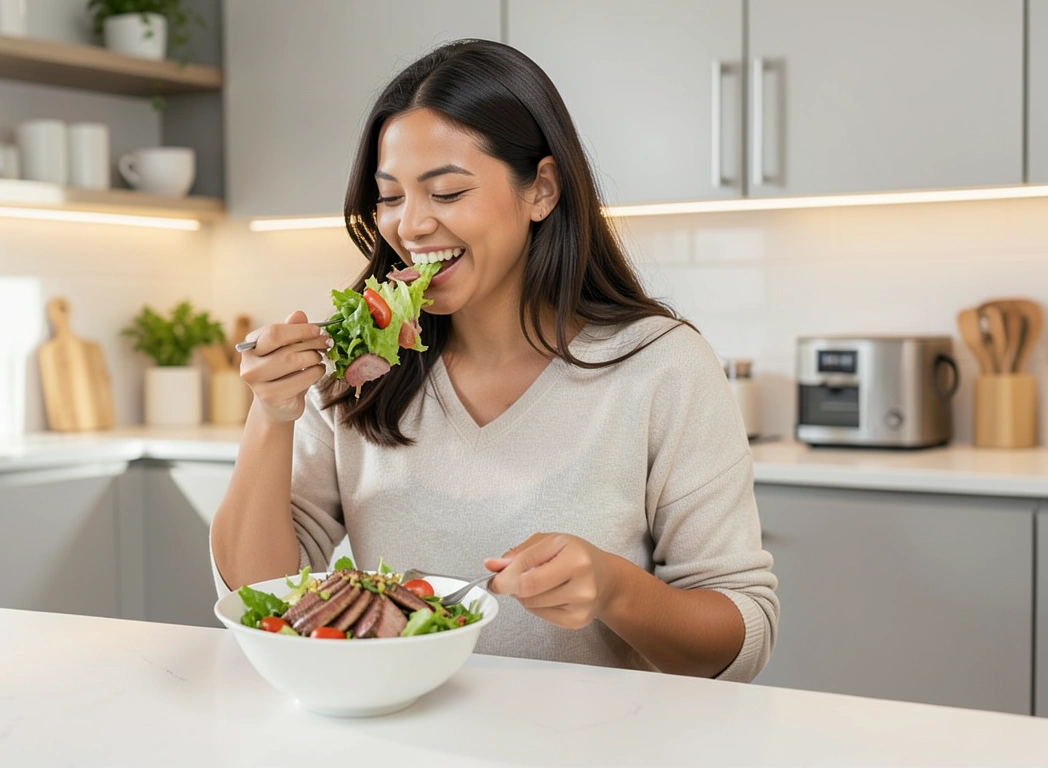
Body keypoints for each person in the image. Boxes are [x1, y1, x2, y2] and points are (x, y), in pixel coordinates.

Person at [210, 39, 778, 681]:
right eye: (391, 197)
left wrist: (617, 591)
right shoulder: (359, 363)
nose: (411, 226)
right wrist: (271, 415)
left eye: (447, 193)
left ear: (541, 189)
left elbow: (742, 639)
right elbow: (260, 599)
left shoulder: (661, 367)